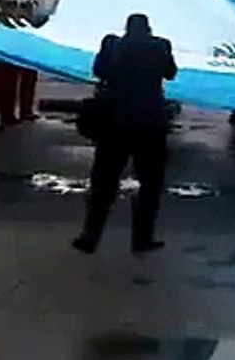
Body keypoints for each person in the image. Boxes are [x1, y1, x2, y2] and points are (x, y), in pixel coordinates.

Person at [73, 14, 177, 255]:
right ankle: (142, 238)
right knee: (150, 184)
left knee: (103, 183)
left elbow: (99, 70)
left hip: (115, 121)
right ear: (148, 28)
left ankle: (90, 237)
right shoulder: (161, 46)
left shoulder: (112, 45)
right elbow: (170, 73)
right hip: (150, 122)